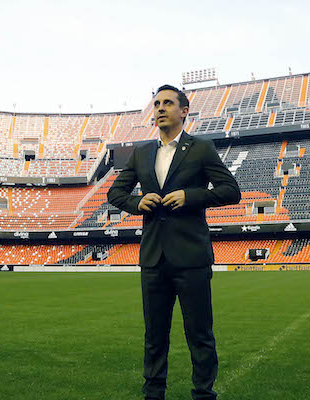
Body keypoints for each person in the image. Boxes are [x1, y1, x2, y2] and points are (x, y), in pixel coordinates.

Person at [108, 84, 241, 400]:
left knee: (200, 335)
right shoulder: (141, 154)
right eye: (156, 104)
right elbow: (116, 193)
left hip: (192, 257)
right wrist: (137, 202)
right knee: (154, 336)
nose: (160, 108)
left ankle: (204, 394)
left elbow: (230, 190)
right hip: (153, 259)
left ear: (184, 111)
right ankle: (153, 393)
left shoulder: (201, 149)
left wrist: (191, 196)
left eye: (168, 102)